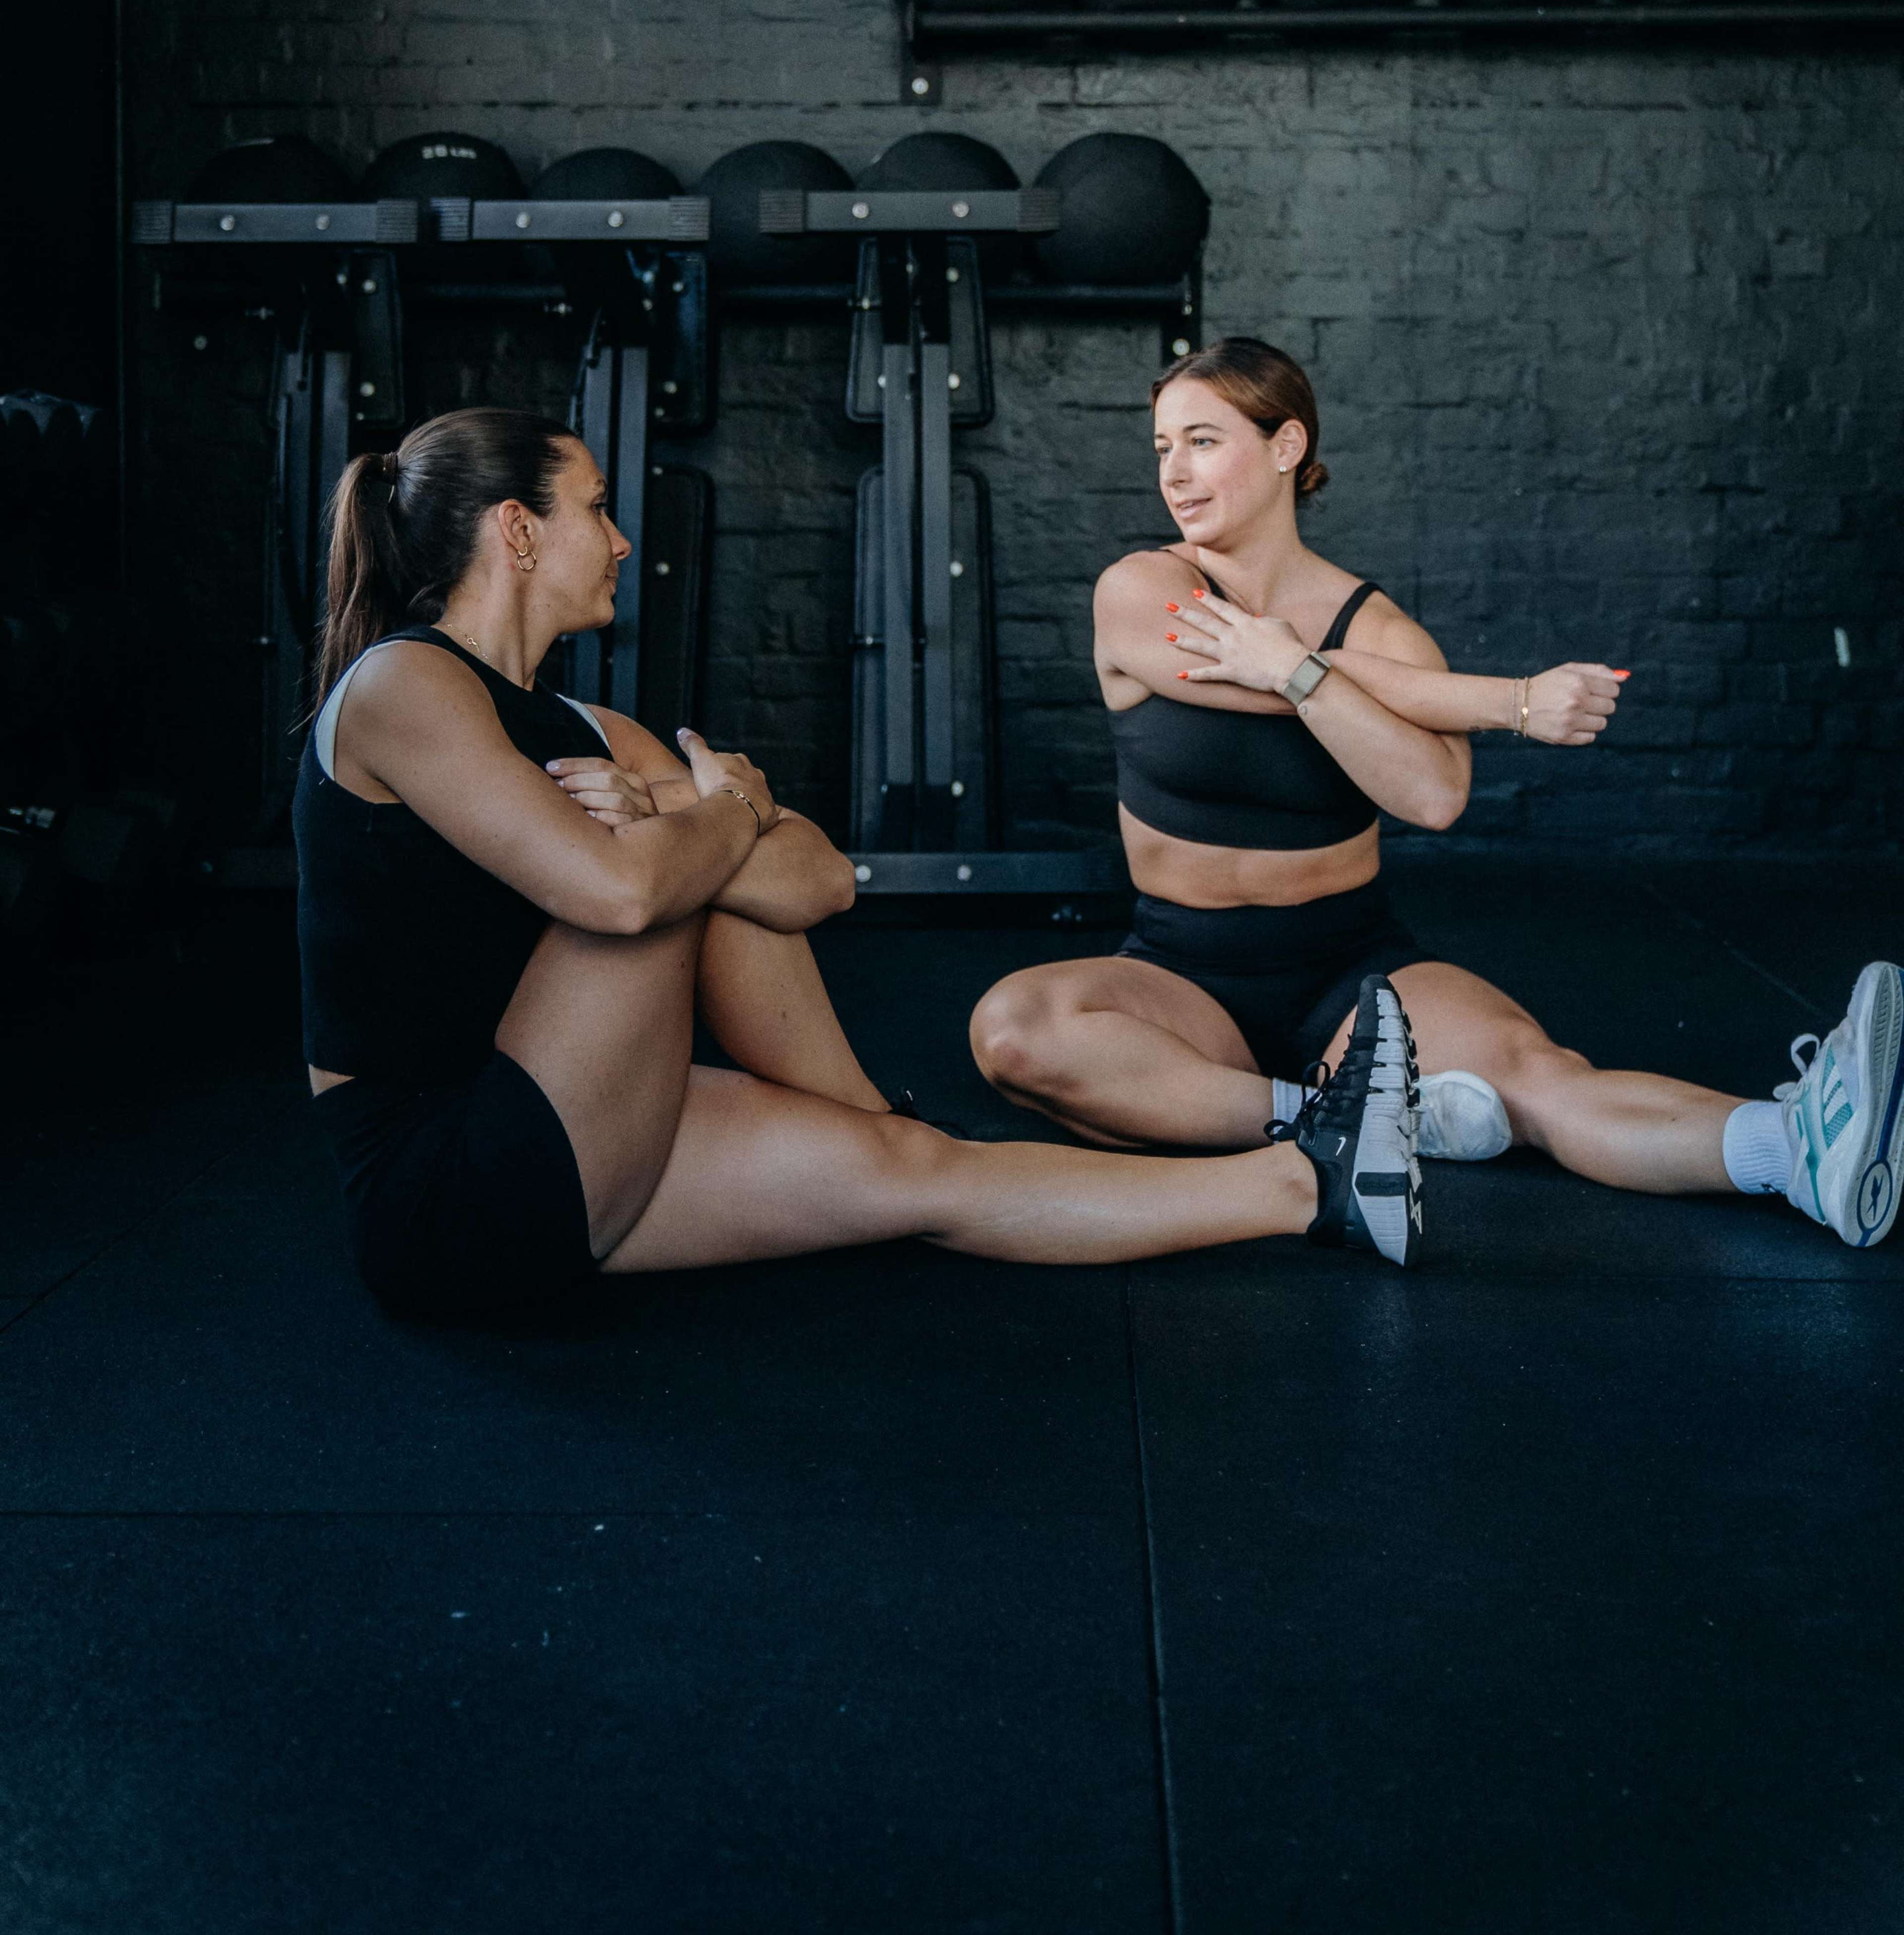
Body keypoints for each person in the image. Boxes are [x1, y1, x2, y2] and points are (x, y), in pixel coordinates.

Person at [297, 405, 1424, 1321]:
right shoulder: (407, 684)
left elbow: (822, 882)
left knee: (921, 1178)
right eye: (596, 508)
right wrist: (719, 810)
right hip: (440, 1181)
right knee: (662, 874)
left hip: (573, 1133)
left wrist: (682, 810)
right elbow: (622, 893)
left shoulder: (594, 732)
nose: (625, 538)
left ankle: (1308, 1185)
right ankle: (865, 1111)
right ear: (519, 530)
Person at [966, 338, 1903, 1252]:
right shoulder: (1144, 587)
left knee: (1539, 1080)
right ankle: (1334, 1122)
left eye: (1204, 440)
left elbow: (1435, 794)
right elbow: (1247, 675)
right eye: (1164, 446)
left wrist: (1298, 666)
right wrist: (1513, 702)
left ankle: (1796, 1148)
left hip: (1350, 966)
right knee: (1017, 1032)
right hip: (1179, 970)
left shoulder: (1389, 634)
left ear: (1286, 446)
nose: (1175, 470)